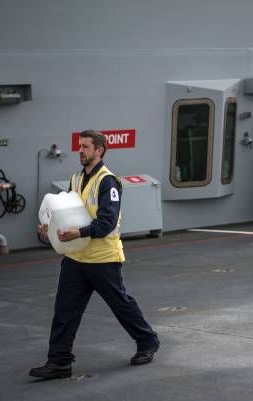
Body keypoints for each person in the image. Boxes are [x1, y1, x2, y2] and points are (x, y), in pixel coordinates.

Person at [30, 130, 159, 379]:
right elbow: (65, 214)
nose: (81, 150)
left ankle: (147, 342)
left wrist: (78, 233)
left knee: (120, 305)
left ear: (99, 150)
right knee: (64, 311)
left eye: (86, 147)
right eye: (80, 146)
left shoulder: (108, 181)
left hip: (103, 259)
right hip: (76, 258)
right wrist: (50, 228)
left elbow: (107, 223)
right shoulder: (76, 178)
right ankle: (59, 362)